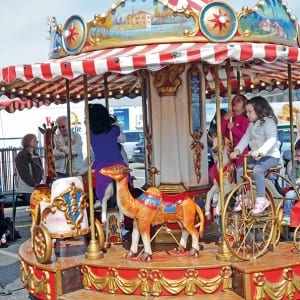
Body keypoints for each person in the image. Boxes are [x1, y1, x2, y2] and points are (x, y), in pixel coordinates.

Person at [230, 96, 280, 214]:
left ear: (259, 110)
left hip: (271, 156)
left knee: (258, 170)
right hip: (257, 157)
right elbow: (245, 138)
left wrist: (261, 151)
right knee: (241, 169)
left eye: (249, 111)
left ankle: (261, 199)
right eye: (246, 111)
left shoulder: (269, 122)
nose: (247, 114)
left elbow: (271, 140)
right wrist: (237, 150)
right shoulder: (252, 125)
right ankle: (244, 196)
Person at [88, 104, 127, 208]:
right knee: (125, 181)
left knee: (92, 178)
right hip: (118, 164)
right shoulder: (114, 129)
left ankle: (100, 199)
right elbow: (123, 140)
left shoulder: (90, 133)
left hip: (102, 166)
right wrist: (116, 124)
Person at [221, 94, 249, 181]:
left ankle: (245, 191)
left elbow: (244, 137)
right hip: (228, 150)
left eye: (238, 107)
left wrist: (233, 128)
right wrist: (225, 119)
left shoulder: (246, 119)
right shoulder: (230, 118)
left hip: (240, 151)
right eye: (234, 105)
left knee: (240, 172)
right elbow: (222, 132)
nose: (235, 108)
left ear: (243, 108)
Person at [15, 134, 44, 204]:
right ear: (28, 142)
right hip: (27, 189)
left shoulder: (36, 155)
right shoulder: (21, 156)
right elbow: (24, 173)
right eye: (34, 140)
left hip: (36, 186)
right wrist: (34, 184)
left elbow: (41, 170)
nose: (37, 142)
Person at [281, 139, 300, 226]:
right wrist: (296, 184)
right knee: (289, 196)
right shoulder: (296, 164)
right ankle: (287, 216)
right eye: (297, 155)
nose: (298, 158)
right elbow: (292, 177)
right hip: (297, 188)